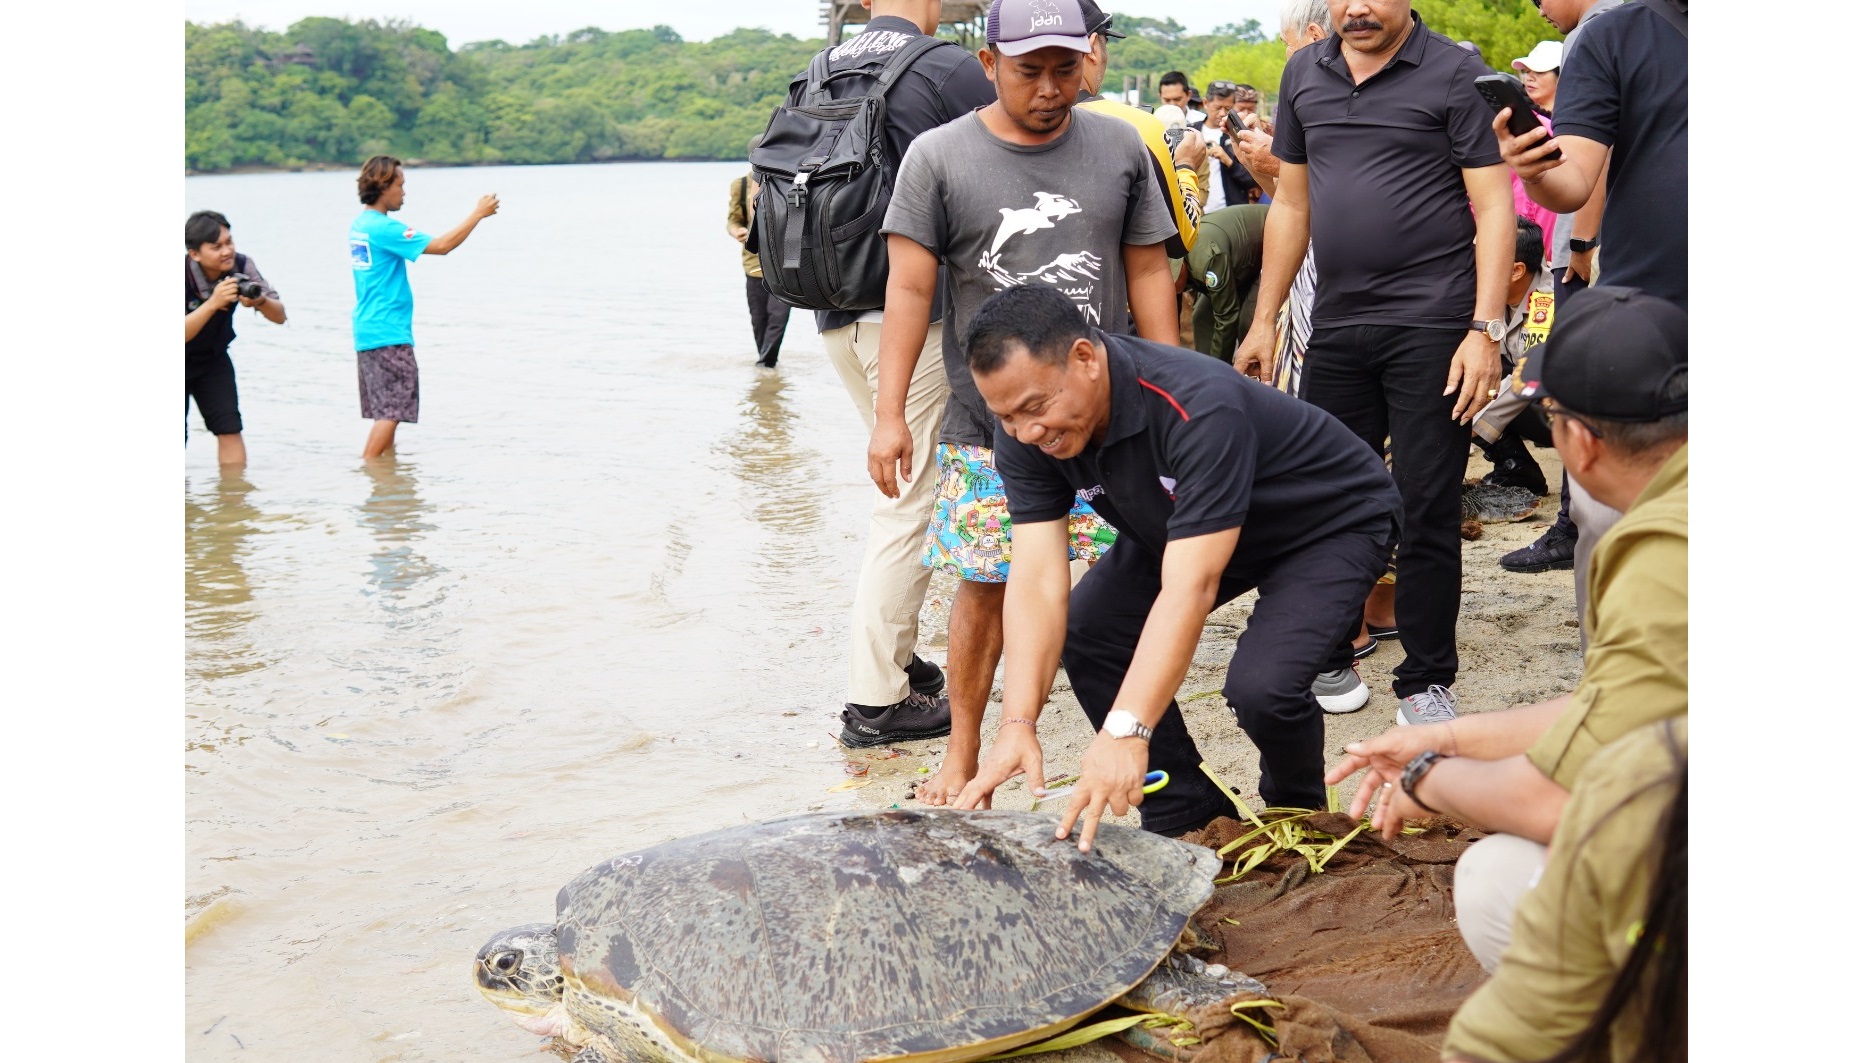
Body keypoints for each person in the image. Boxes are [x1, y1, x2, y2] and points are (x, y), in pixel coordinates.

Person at [951, 285, 1402, 844]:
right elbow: (1039, 580)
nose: (1026, 432)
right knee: (1091, 627)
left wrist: (1126, 728)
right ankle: (1188, 814)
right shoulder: (1028, 432)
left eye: (1035, 408)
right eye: (1006, 416)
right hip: (1184, 525)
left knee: (1263, 687)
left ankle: (1297, 814)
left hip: (1326, 521)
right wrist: (1018, 723)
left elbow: (1190, 587)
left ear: (1085, 358)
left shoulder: (1195, 402)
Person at [866, 0, 1180, 796]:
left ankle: (1130, 743)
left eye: (1063, 69)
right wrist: (889, 414)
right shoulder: (938, 156)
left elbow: (1147, 269)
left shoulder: (1120, 145)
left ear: (1089, 62)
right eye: (1027, 71)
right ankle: (962, 748)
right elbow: (909, 290)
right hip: (988, 423)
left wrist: (1172, 384)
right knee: (984, 584)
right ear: (988, 64)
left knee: (1131, 582)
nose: (1047, 88)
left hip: (1109, 420)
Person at [1327, 285, 1686, 972]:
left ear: (1578, 443)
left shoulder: (1660, 554)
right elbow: (1615, 709)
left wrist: (1429, 779)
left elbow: (1556, 803)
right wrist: (1447, 739)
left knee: (1495, 877)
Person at [1235, 0, 1516, 727]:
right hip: (1337, 323)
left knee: (1425, 502)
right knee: (1324, 498)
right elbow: (1291, 203)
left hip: (1434, 324)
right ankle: (1329, 649)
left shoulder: (1452, 72)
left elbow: (1493, 207)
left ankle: (1425, 677)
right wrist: (1264, 320)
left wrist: (1484, 329)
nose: (1357, 7)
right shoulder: (1304, 71)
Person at [796, 0, 996, 745]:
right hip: (913, 321)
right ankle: (876, 700)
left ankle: (900, 660)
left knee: (899, 486)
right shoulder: (944, 68)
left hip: (834, 315)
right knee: (910, 503)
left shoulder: (819, 70)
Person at [1493, 0, 1685, 619]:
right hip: (1649, 323)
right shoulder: (1614, 33)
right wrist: (1536, 169)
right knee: (1621, 530)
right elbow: (1574, 179)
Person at [1442, 717, 1686, 1063]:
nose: (1555, 850)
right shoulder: (1645, 769)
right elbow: (1510, 1028)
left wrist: (1429, 778)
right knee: (1494, 874)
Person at [349, 156, 500, 460]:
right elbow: (442, 246)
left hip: (368, 330)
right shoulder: (383, 229)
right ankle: (369, 468)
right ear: (383, 187)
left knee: (386, 410)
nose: (404, 192)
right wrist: (478, 214)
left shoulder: (360, 225)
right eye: (400, 185)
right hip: (388, 333)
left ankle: (386, 479)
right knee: (392, 411)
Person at [185, 210, 286, 466]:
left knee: (229, 428)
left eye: (229, 242)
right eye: (216, 247)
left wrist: (259, 301)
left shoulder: (241, 266)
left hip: (212, 359)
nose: (227, 251)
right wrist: (213, 303)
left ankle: (234, 490)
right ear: (194, 254)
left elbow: (280, 316)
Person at [1470, 215, 1559, 495]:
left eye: (1480, 256)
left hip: (1559, 412)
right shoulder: (1488, 292)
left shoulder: (1547, 302)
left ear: (1516, 270)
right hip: (1521, 401)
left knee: (1470, 397)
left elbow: (1529, 373)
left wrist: (1471, 423)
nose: (1470, 264)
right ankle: (1517, 469)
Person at [727, 138, 791, 368]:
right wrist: (738, 232)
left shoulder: (789, 181)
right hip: (753, 262)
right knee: (759, 318)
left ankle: (766, 363)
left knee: (778, 317)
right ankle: (766, 365)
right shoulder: (742, 184)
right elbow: (733, 220)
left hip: (783, 264)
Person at [1183, 205, 1268, 361]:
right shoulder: (1173, 262)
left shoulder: (1207, 260)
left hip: (1269, 249)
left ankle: (1244, 371)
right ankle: (1206, 370)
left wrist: (1220, 368)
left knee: (1247, 323)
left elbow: (1227, 316)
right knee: (1201, 317)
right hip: (1240, 262)